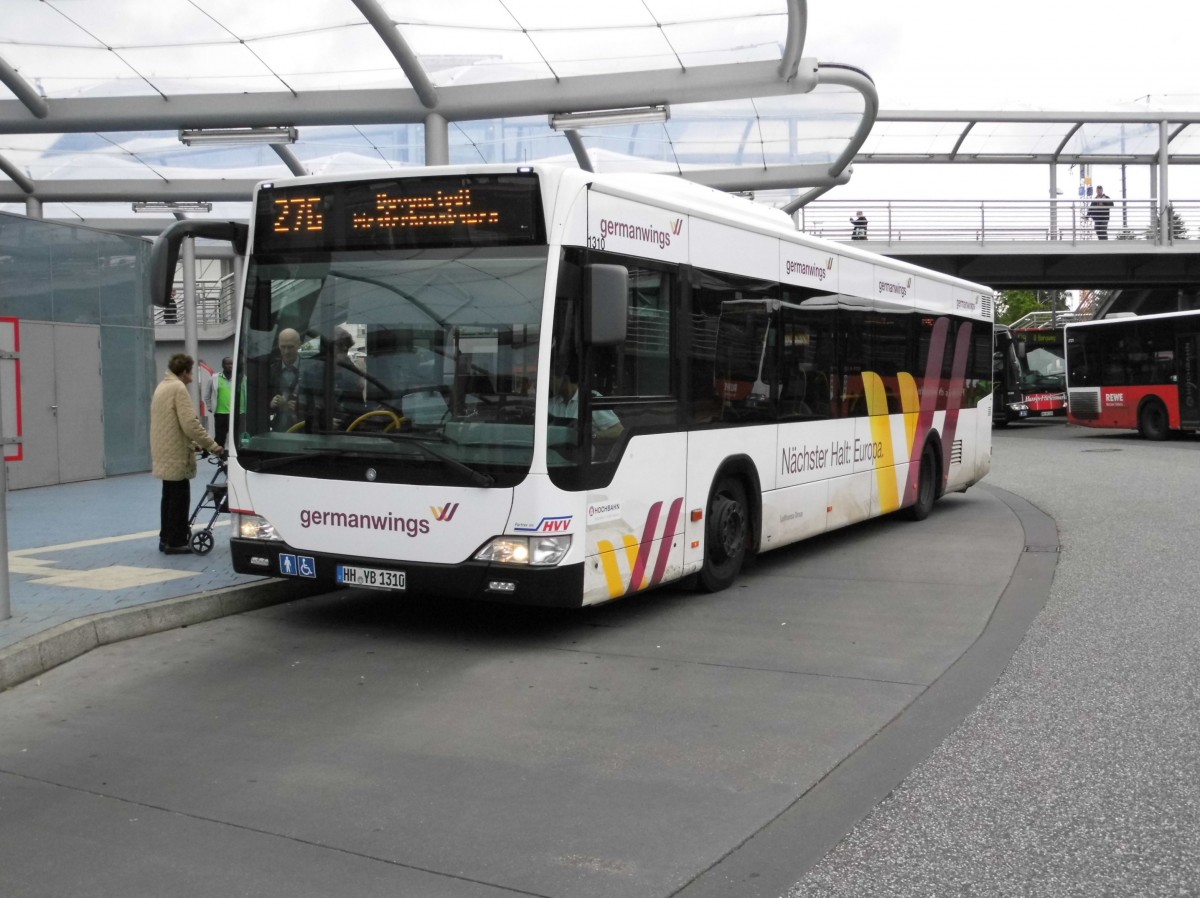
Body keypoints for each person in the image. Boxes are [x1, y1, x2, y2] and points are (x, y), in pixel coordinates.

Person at [150, 353, 224, 555]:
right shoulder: (178, 388)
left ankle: (166, 538)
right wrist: (212, 445)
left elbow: (172, 424)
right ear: (184, 372)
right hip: (176, 455)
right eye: (190, 373)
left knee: (168, 496)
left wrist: (193, 444)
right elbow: (190, 424)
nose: (192, 378)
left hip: (165, 452)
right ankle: (176, 542)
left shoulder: (162, 386)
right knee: (180, 499)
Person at [549, 364, 623, 439]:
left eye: (551, 379)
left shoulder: (591, 399)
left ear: (566, 378)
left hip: (582, 449)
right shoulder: (550, 403)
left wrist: (590, 436)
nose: (548, 384)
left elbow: (618, 430)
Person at [206, 356, 244, 449]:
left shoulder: (239, 377)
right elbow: (207, 395)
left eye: (232, 364)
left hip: (235, 413)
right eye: (228, 364)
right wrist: (210, 407)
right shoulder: (214, 378)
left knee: (236, 437)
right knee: (220, 438)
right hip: (220, 413)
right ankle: (219, 457)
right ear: (223, 365)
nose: (230, 366)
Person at [270, 328, 303, 430]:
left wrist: (300, 407)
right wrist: (270, 404)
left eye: (290, 347)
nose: (286, 351)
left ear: (299, 345)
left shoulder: (309, 370)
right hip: (276, 429)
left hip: (303, 430)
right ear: (278, 345)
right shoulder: (269, 370)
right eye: (283, 347)